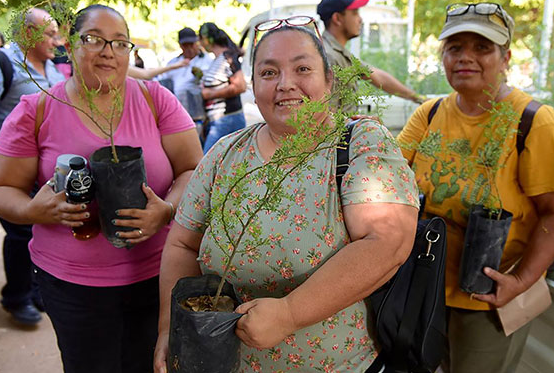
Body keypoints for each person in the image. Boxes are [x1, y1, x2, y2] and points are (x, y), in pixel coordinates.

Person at [154, 23, 420, 373]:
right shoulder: (224, 154)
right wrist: (169, 328)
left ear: (329, 80)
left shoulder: (360, 143)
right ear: (252, 85)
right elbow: (182, 246)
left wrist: (290, 313)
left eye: (302, 68)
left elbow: (386, 242)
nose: (285, 83)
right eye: (268, 72)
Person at [0, 4, 203, 373]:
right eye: (94, 40)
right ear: (69, 46)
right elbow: (0, 188)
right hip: (72, 286)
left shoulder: (155, 100)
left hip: (157, 276)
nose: (108, 51)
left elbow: (193, 170)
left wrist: (165, 209)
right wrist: (32, 211)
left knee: (152, 364)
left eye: (120, 43)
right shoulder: (36, 109)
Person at [397, 2, 554, 373]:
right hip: (427, 284)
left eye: (482, 47)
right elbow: (391, 177)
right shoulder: (430, 113)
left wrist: (520, 280)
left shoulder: (536, 123)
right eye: (455, 48)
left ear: (505, 57)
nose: (466, 57)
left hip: (487, 297)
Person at [0, 8, 65, 326]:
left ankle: (36, 291)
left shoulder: (51, 68)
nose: (56, 40)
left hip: (38, 169)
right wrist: (3, 163)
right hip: (4, 168)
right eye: (49, 34)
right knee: (22, 231)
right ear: (27, 34)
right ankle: (16, 298)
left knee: (40, 228)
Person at [317, 0, 425, 110]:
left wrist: (419, 98)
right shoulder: (328, 56)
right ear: (337, 18)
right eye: (354, 13)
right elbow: (327, 114)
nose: (360, 19)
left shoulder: (339, 53)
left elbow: (376, 76)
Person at [155, 27, 214, 142]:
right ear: (181, 46)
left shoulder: (206, 60)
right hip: (177, 115)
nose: (189, 48)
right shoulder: (173, 63)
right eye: (185, 45)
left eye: (191, 44)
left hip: (199, 116)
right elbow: (160, 81)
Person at [198, 22, 247, 152]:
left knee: (206, 166)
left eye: (201, 40)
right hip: (217, 121)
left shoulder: (228, 57)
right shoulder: (218, 59)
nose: (200, 44)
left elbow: (241, 86)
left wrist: (210, 94)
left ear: (207, 39)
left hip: (227, 118)